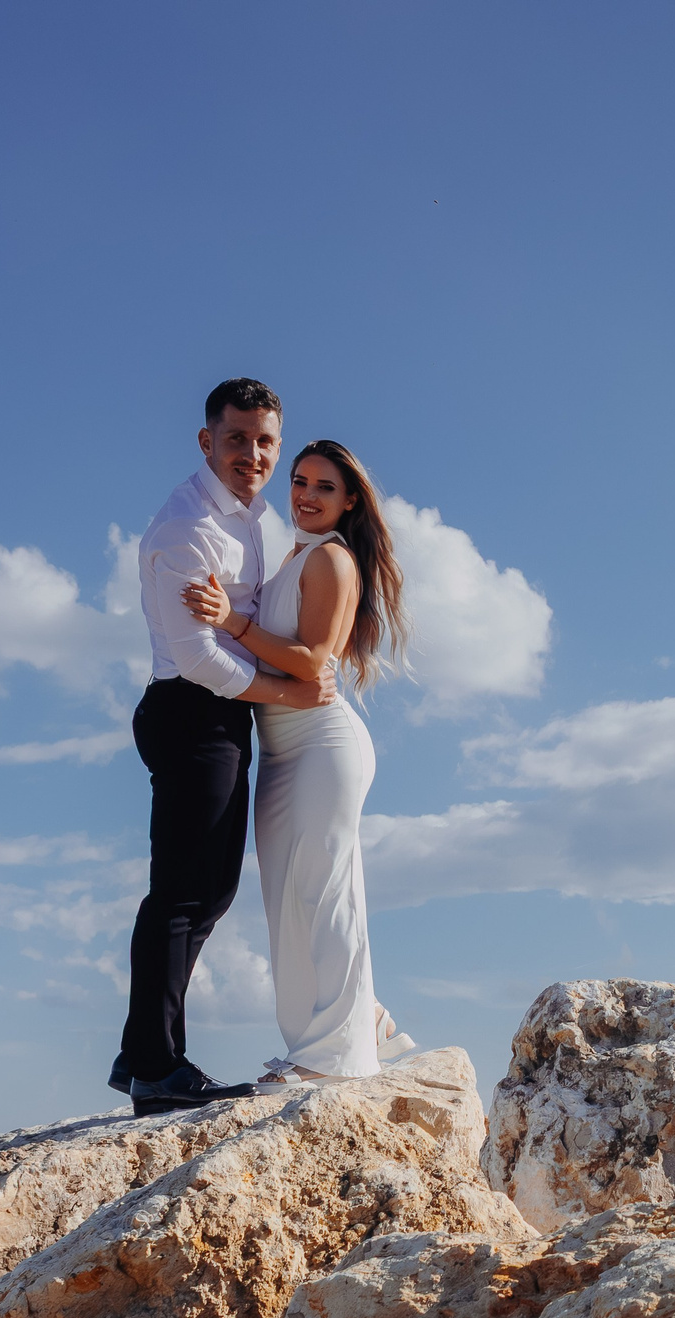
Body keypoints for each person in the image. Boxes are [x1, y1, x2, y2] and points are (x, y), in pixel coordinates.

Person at [110, 379, 339, 1115]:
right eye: (237, 438)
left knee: (208, 891)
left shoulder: (258, 517)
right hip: (191, 710)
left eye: (265, 441)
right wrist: (288, 694)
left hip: (220, 716)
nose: (253, 454)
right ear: (207, 440)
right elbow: (199, 656)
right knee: (183, 894)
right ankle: (156, 1070)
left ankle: (143, 1053)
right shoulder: (187, 528)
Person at [183, 439, 412, 1082]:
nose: (306, 496)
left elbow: (314, 664)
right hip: (282, 753)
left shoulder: (332, 559)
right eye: (300, 481)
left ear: (350, 502)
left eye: (324, 487)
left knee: (324, 891)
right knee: (287, 900)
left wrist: (232, 623)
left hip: (321, 745)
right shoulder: (295, 557)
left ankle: (333, 1058)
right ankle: (361, 1019)